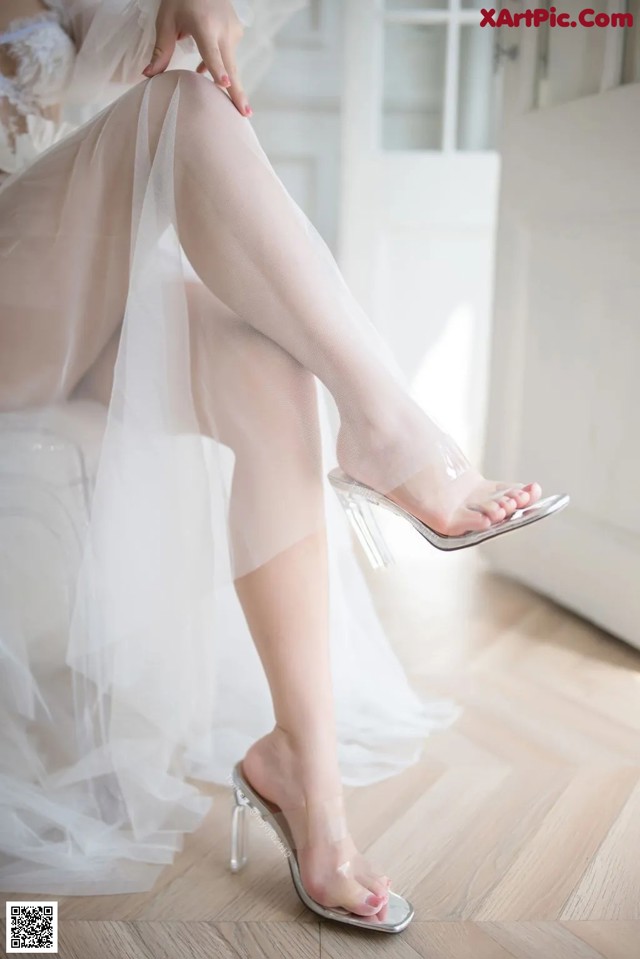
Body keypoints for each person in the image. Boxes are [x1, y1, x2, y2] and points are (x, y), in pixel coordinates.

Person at [0, 0, 567, 930]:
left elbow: (115, 43)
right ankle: (391, 432)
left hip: (64, 279)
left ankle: (307, 775)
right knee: (178, 111)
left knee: (270, 368)